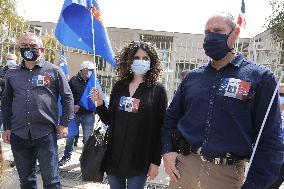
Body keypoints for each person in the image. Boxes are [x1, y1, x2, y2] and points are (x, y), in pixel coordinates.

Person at [162, 13, 284, 189]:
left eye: (218, 31)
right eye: (207, 32)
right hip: (183, 170)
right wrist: (167, 150)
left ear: (235, 33)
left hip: (227, 176)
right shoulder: (192, 78)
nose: (211, 36)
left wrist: (255, 184)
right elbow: (170, 119)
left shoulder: (260, 78)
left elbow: (270, 140)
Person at [1, 32, 74, 189]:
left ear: (41, 50)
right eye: (24, 46)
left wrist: (64, 123)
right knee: (26, 181)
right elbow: (6, 101)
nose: (29, 48)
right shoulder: (11, 73)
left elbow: (67, 97)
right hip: (19, 134)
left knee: (52, 181)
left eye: (33, 46)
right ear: (19, 49)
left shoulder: (54, 71)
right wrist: (6, 127)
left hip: (45, 134)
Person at [92, 41, 168, 189]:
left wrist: (155, 162)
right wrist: (100, 104)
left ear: (151, 62)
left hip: (140, 157)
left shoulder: (158, 90)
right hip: (115, 155)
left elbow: (161, 129)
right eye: (136, 57)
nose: (141, 61)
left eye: (145, 58)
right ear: (129, 60)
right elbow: (109, 120)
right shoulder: (120, 86)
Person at [59, 61, 96, 166]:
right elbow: (66, 97)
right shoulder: (73, 81)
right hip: (74, 114)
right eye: (90, 70)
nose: (92, 72)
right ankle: (66, 156)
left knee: (87, 139)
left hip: (89, 115)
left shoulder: (93, 81)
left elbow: (99, 97)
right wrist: (72, 107)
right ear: (84, 69)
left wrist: (95, 110)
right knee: (70, 137)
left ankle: (85, 159)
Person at [268, 83, 284, 189]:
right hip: (273, 154)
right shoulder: (268, 114)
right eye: (278, 94)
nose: (280, 97)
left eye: (282, 95)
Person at [0, 53, 18, 130]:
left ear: (15, 60)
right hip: (3, 96)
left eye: (11, 59)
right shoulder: (2, 70)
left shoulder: (19, 70)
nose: (9, 61)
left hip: (15, 98)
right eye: (8, 59)